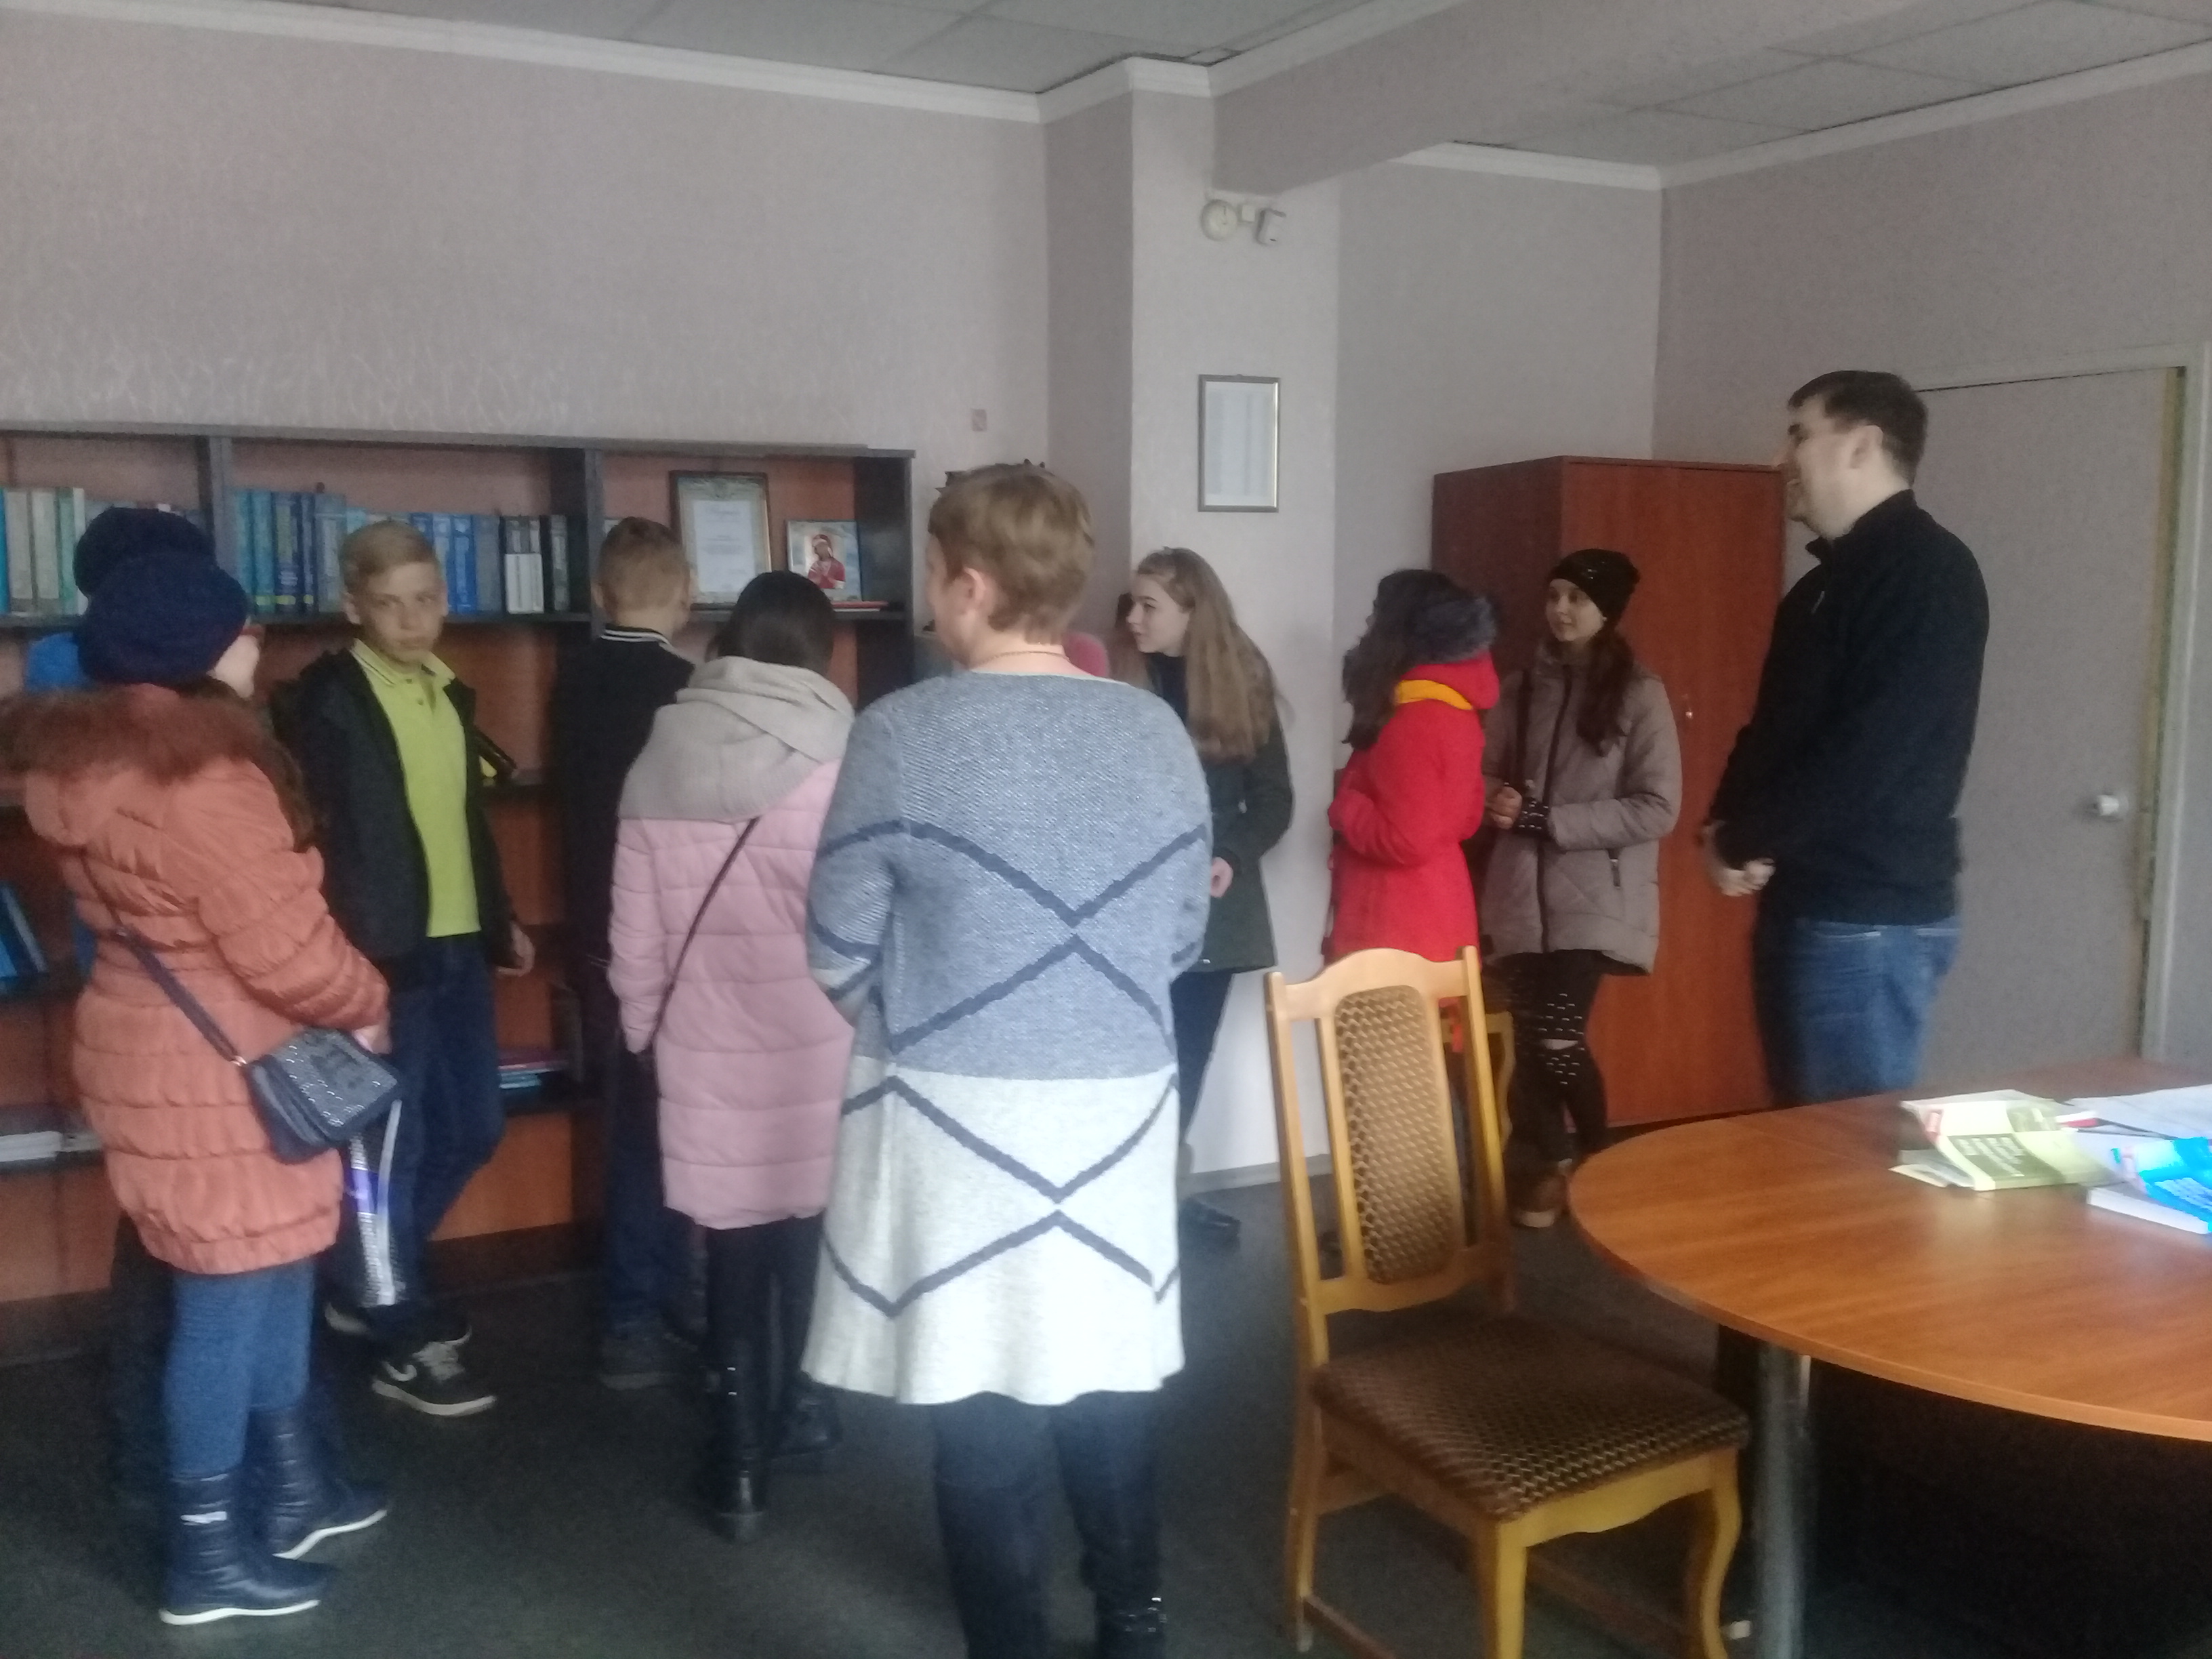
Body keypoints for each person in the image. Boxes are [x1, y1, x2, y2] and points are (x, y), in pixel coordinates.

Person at [804, 464, 1210, 1659]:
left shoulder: (900, 733)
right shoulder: (1155, 731)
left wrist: (936, 1013)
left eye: (935, 570)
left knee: (978, 1398)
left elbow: (835, 948)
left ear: (970, 584)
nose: (934, 592)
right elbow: (1180, 938)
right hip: (1117, 1115)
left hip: (955, 1124)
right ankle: (1134, 1622)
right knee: (1106, 1373)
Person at [1, 554, 390, 1626]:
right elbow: (288, 953)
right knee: (226, 1312)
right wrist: (367, 997)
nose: (258, 642)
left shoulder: (91, 765)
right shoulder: (204, 783)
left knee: (266, 1281)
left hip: (169, 1056)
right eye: (244, 629)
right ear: (200, 652)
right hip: (229, 1071)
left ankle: (292, 1494)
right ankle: (207, 1556)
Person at [609, 570, 854, 1540]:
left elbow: (634, 939)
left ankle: (738, 1466)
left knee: (734, 1254)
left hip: (702, 1045)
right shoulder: (840, 759)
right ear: (820, 653)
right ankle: (807, 1409)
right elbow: (862, 923)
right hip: (815, 1044)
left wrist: (644, 1036)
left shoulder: (657, 758)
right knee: (806, 1230)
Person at [272, 518, 534, 1418]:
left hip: (456, 945)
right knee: (391, 1147)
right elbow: (313, 841)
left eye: (426, 600)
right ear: (355, 608)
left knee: (475, 1127)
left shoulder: (447, 693)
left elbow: (464, 822)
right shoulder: (327, 704)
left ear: (445, 598)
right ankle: (396, 1331)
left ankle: (369, 1282)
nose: (413, 619)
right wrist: (340, 959)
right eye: (390, 605)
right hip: (380, 958)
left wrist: (500, 917)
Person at [1704, 371, 1988, 1106]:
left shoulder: (1928, 573)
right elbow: (1774, 729)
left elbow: (1872, 756)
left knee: (1846, 1151)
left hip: (1870, 915)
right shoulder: (1821, 587)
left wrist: (1746, 837)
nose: (1779, 459)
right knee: (1803, 1134)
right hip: (1810, 900)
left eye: (1798, 435)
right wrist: (1724, 822)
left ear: (1862, 445)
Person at [22, 508, 220, 1510]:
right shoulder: (146, 700)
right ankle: (182, 1463)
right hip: (188, 997)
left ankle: (153, 1440)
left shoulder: (60, 679)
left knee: (160, 1227)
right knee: (190, 1241)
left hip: (124, 984)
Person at [1480, 549, 1681, 1228]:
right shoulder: (1519, 688)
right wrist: (1498, 801)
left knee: (1557, 1039)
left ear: (1607, 610)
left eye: (1578, 598)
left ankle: (1601, 1162)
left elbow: (1658, 807)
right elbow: (1483, 773)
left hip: (1595, 899)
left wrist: (1549, 819)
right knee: (1530, 1040)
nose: (1561, 610)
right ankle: (1550, 1168)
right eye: (1554, 595)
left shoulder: (1639, 693)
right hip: (1517, 894)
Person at [548, 517, 698, 1390]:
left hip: (595, 930)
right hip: (671, 935)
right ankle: (645, 1306)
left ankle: (643, 1303)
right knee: (665, 1129)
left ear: (601, 596)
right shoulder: (688, 692)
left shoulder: (571, 681)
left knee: (631, 1124)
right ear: (687, 596)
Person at [1120, 548, 1293, 1249]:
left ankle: (1162, 1200)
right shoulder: (1119, 681)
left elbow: (1275, 801)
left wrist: (1230, 856)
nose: (1133, 620)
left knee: (1187, 1058)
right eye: (1132, 605)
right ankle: (1131, 1200)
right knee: (1135, 1058)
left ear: (1193, 612)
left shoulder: (1242, 678)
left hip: (1212, 904)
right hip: (1132, 898)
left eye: (1149, 606)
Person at [1326, 569, 1498, 963]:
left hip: (1393, 924)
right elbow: (1467, 817)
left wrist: (1346, 804)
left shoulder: (1412, 718)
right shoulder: (1457, 708)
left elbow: (1405, 839)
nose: (1368, 624)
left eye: (1377, 613)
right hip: (1441, 910)